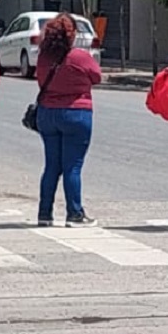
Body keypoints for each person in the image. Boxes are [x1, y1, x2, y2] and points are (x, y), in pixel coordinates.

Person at [32, 13, 103, 228]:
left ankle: (44, 213)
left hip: (47, 113)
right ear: (71, 35)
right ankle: (74, 213)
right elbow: (97, 76)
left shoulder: (44, 57)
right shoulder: (80, 57)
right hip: (76, 113)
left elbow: (40, 80)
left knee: (51, 165)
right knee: (73, 166)